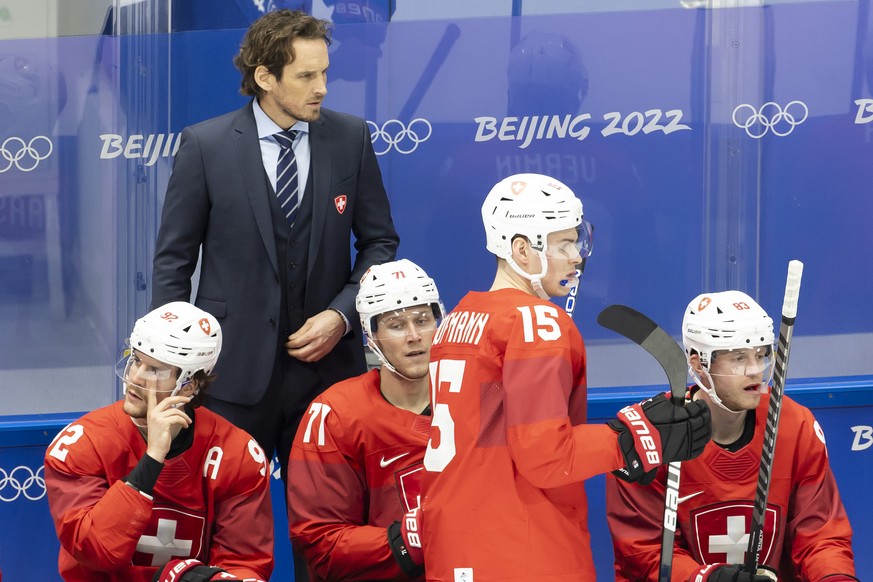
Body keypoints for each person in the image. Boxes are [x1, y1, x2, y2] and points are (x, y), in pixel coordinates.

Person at [419, 173, 713, 581]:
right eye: (563, 244)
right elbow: (545, 457)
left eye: (577, 240)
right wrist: (633, 437)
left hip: (457, 547)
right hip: (524, 552)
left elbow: (496, 432)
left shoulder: (460, 319)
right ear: (522, 250)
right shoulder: (536, 320)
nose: (577, 255)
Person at [150, 9, 399, 486]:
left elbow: (380, 242)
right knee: (221, 526)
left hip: (329, 378)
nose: (322, 86)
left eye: (324, 71)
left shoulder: (351, 138)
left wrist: (341, 315)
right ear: (265, 77)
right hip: (231, 373)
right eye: (306, 76)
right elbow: (173, 263)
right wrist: (173, 365)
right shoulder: (206, 146)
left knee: (330, 531)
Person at [606, 291, 857, 582]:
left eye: (761, 355)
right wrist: (711, 579)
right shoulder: (650, 436)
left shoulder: (794, 424)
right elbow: (642, 554)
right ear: (699, 363)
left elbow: (821, 535)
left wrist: (835, 577)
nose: (755, 371)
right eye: (738, 358)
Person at [43, 302, 273, 582]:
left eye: (154, 370)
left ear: (188, 386)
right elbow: (96, 551)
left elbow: (245, 563)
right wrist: (153, 458)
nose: (134, 377)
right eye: (136, 360)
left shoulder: (236, 453)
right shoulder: (83, 442)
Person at [286, 258, 442, 581]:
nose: (414, 336)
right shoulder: (335, 416)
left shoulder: (473, 402)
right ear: (371, 336)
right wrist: (406, 542)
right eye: (397, 325)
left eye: (423, 320)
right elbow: (318, 541)